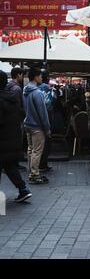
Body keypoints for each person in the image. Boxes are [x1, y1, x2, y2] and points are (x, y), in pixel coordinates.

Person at [0, 71, 32, 202]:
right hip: (13, 139)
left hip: (2, 141)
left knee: (8, 166)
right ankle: (23, 189)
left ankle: (23, 189)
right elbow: (21, 114)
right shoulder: (12, 97)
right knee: (9, 166)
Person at [23, 68, 51, 184]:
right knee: (37, 151)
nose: (41, 78)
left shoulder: (25, 90)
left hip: (27, 123)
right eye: (40, 76)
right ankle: (34, 174)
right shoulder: (37, 93)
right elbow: (43, 113)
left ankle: (32, 172)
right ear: (35, 77)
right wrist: (47, 128)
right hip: (37, 126)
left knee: (30, 150)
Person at [6, 67, 27, 171]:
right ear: (18, 75)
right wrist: (23, 115)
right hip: (16, 119)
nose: (22, 77)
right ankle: (14, 164)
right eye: (22, 75)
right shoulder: (17, 89)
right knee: (17, 140)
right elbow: (18, 106)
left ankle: (11, 163)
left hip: (9, 119)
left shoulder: (7, 86)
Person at [38, 70, 55, 173]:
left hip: (35, 119)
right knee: (46, 142)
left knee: (36, 146)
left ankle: (37, 165)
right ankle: (43, 164)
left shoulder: (34, 87)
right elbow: (50, 102)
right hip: (46, 117)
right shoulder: (46, 87)